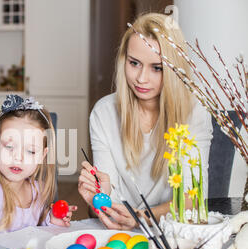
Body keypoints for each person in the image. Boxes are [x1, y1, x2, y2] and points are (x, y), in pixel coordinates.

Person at [78, 13, 213, 230]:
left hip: (172, 234)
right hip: (119, 234)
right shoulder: (103, 113)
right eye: (134, 63)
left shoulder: (195, 113)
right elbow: (103, 206)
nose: (142, 78)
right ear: (124, 59)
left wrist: (141, 217)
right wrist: (97, 198)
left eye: (157, 68)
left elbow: (193, 199)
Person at [0, 94, 77, 233]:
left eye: (30, 151)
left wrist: (51, 219)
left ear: (42, 155)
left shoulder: (38, 191)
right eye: (9, 147)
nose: (18, 158)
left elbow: (39, 233)